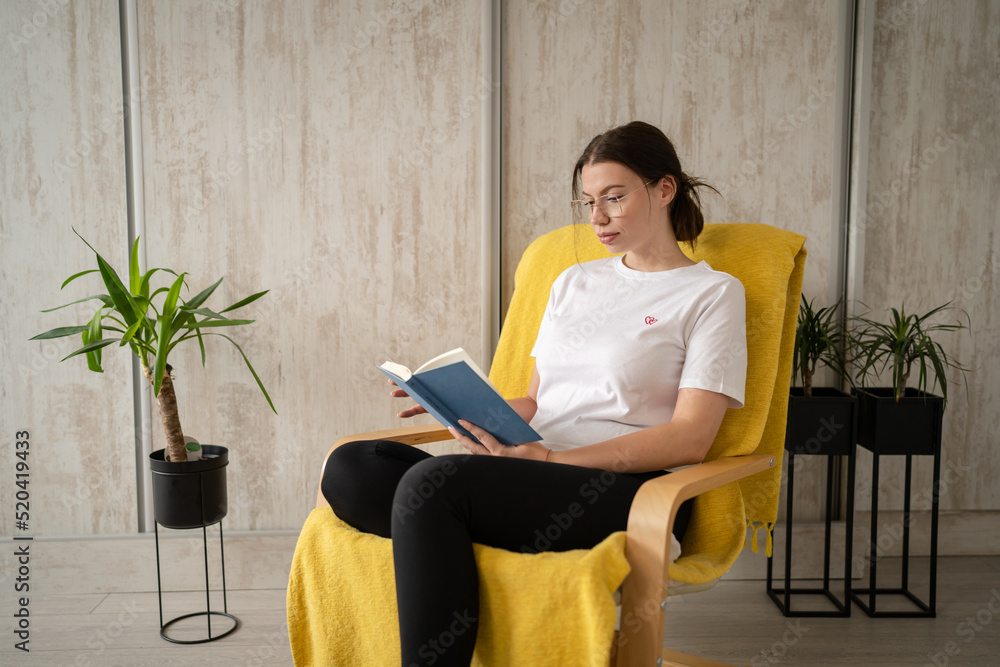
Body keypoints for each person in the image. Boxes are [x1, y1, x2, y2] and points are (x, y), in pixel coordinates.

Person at [321, 120, 747, 667]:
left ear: (664, 190)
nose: (597, 218)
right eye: (588, 201)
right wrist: (458, 409)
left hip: (622, 490)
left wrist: (553, 458)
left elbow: (691, 438)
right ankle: (453, 540)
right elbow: (538, 402)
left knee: (435, 487)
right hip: (529, 470)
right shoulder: (574, 282)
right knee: (352, 466)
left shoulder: (712, 293)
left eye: (614, 198)